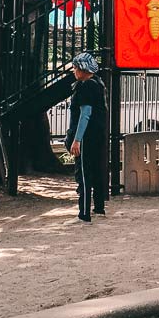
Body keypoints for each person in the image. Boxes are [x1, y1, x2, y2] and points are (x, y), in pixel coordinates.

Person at [66, 52, 107, 223]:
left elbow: (85, 114)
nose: (74, 71)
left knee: (83, 173)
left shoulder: (85, 86)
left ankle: (84, 213)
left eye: (75, 67)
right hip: (98, 135)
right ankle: (99, 207)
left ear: (82, 69)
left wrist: (77, 139)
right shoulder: (99, 83)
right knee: (97, 171)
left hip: (86, 137)